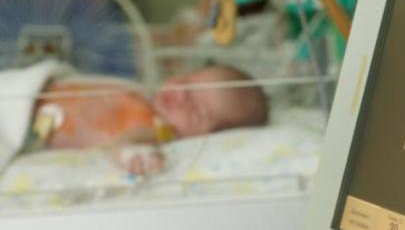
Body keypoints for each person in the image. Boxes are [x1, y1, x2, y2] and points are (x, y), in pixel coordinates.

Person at [27, 66, 269, 174]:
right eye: (187, 81)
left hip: (28, 127)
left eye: (196, 110)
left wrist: (134, 153)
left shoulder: (158, 129)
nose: (181, 95)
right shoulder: (139, 96)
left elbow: (132, 140)